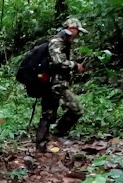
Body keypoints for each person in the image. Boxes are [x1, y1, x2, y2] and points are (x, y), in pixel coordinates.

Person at [36, 17, 87, 153]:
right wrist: (75, 66)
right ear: (70, 29)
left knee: (49, 113)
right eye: (76, 30)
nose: (77, 34)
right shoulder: (57, 41)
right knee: (75, 109)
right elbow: (58, 62)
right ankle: (55, 136)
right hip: (54, 83)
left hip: (57, 83)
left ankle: (44, 143)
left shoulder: (65, 42)